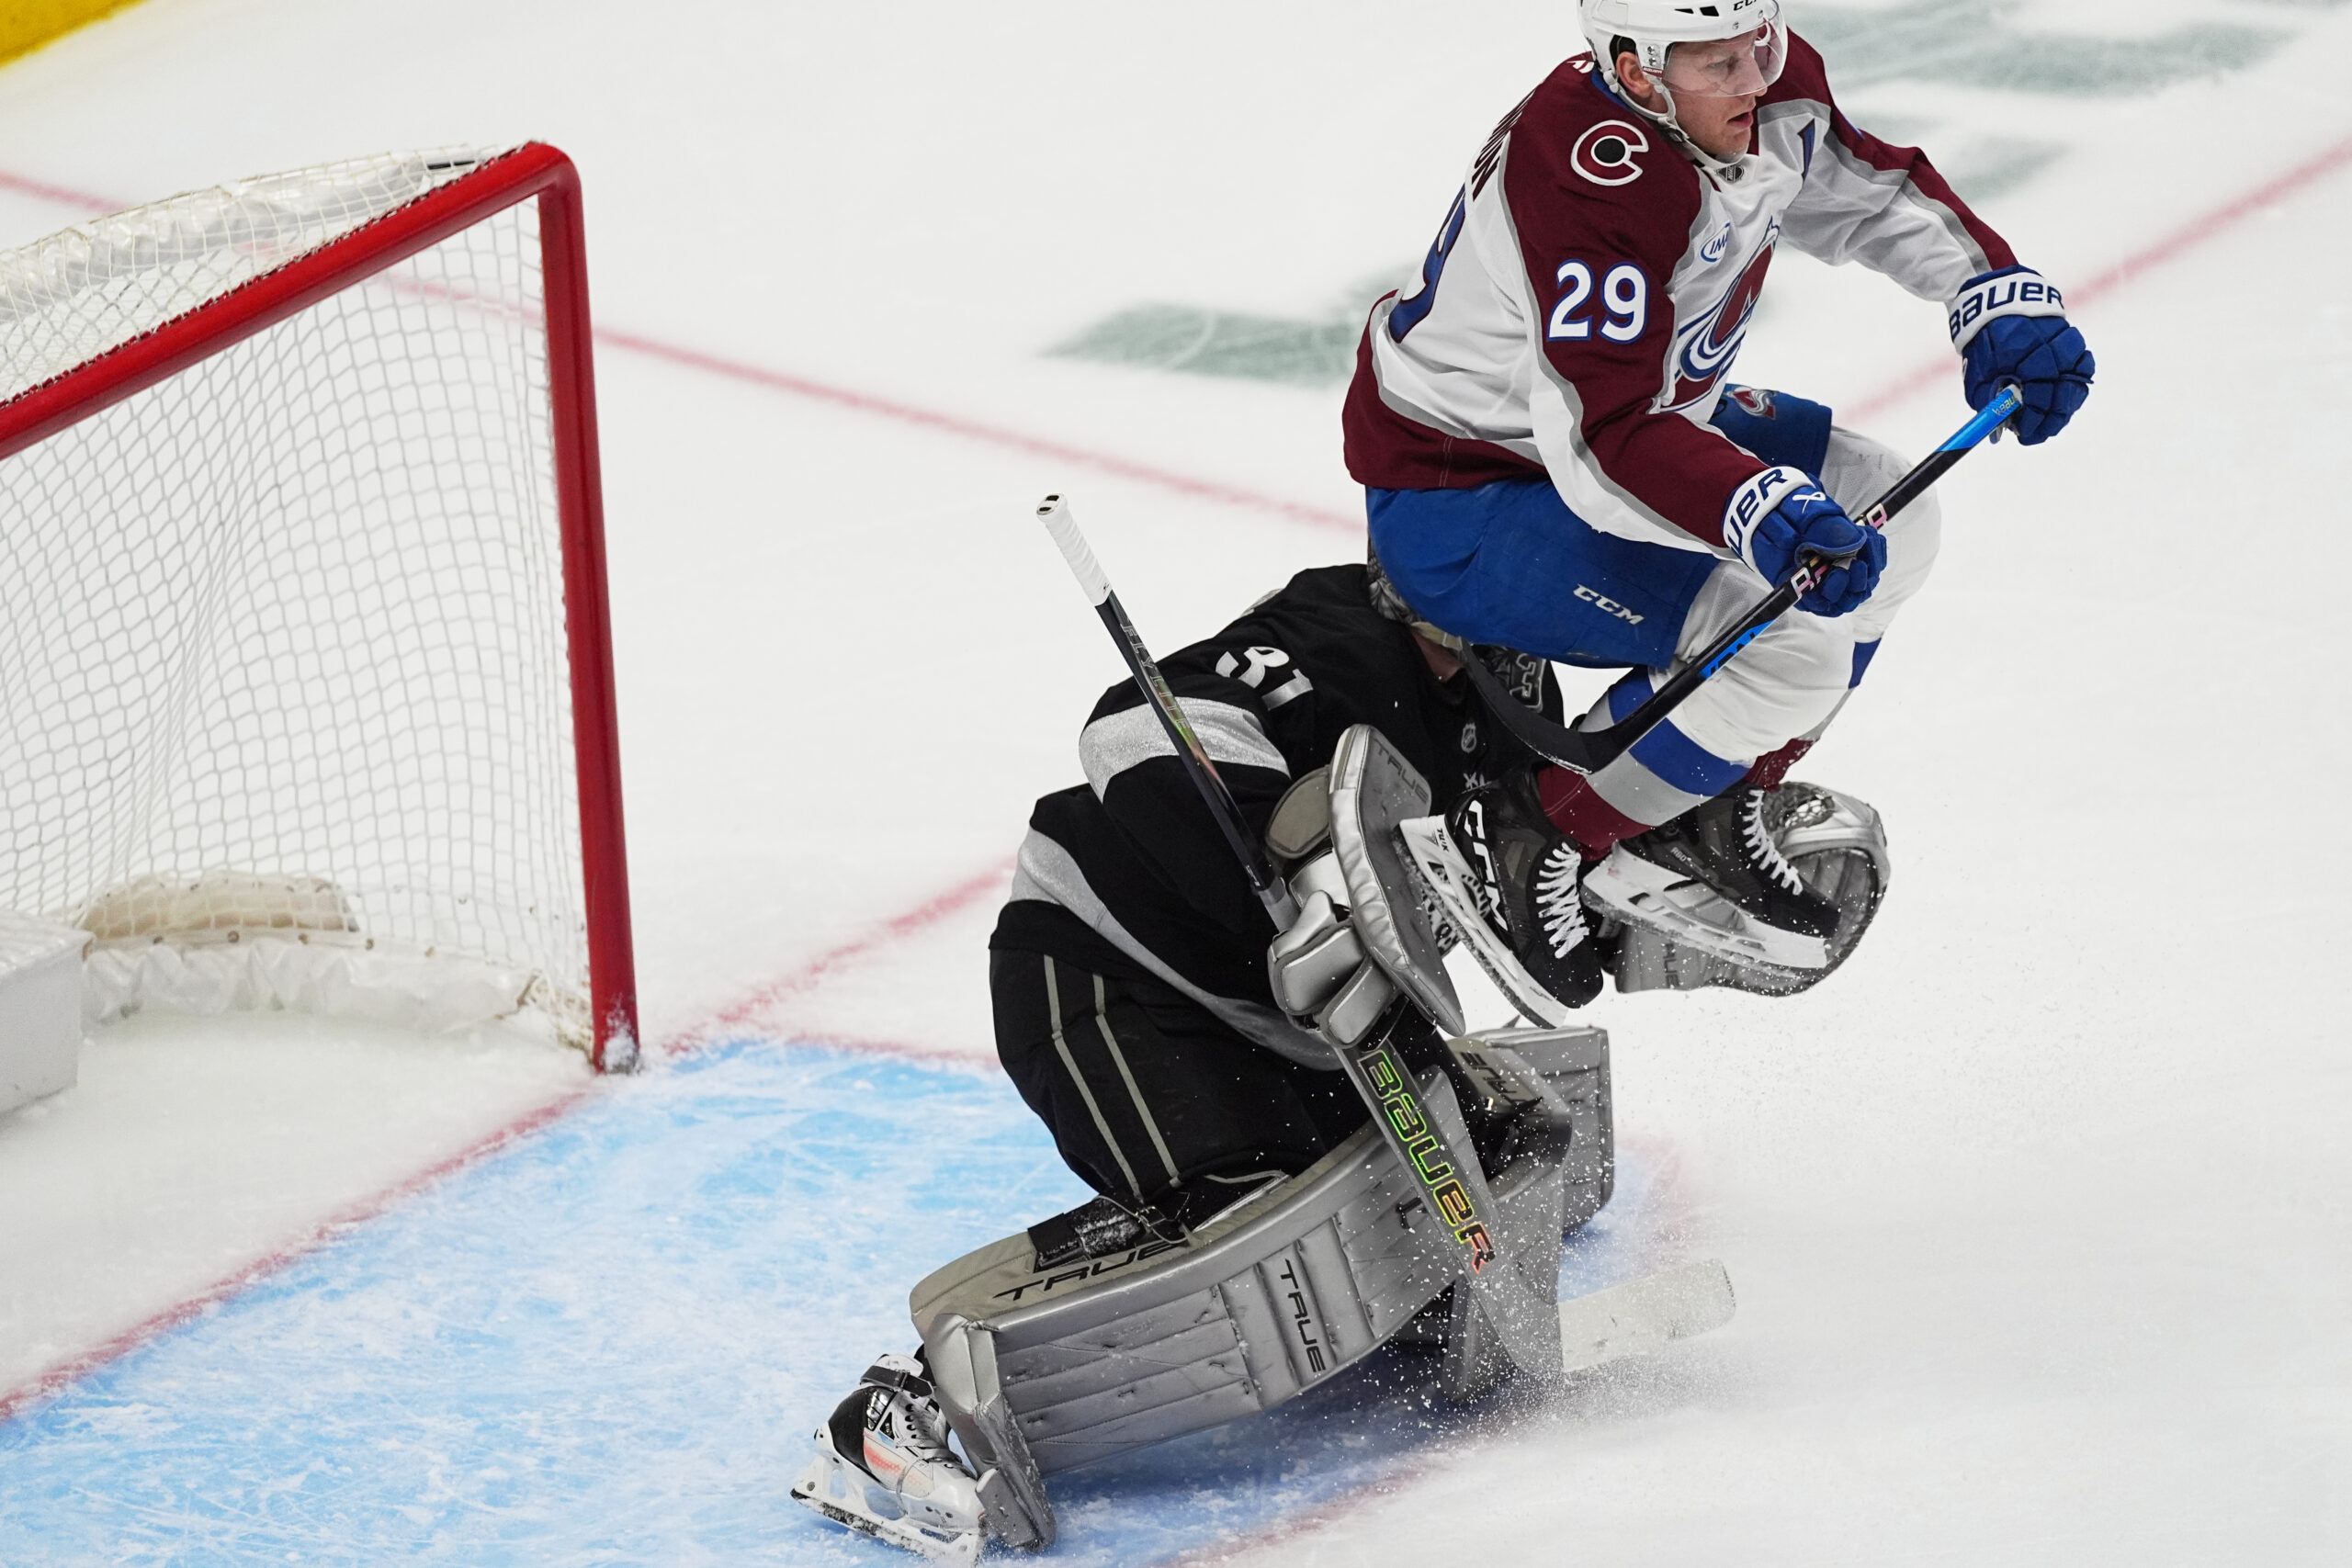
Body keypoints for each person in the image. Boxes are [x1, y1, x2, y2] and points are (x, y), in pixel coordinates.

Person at [792, 563, 1567, 1561]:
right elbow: (1133, 728)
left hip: (1305, 1023)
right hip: (1111, 977)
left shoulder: (1515, 690)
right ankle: (906, 1402)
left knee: (1492, 1149)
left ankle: (1375, 1262)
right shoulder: (1339, 637)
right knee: (1245, 1222)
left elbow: (1523, 885)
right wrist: (1295, 870)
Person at [1345, 0, 2093, 1002]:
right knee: (1786, 652)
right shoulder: (1585, 173)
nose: (1753, 78)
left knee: (1894, 514)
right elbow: (1603, 441)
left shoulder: (1753, 84)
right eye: (1716, 63)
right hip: (1470, 493)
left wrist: (1990, 292)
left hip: (1632, 425)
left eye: (1757, 43)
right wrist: (1755, 506)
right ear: (1636, 72)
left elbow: (1869, 197)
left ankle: (1700, 797)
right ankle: (1537, 829)